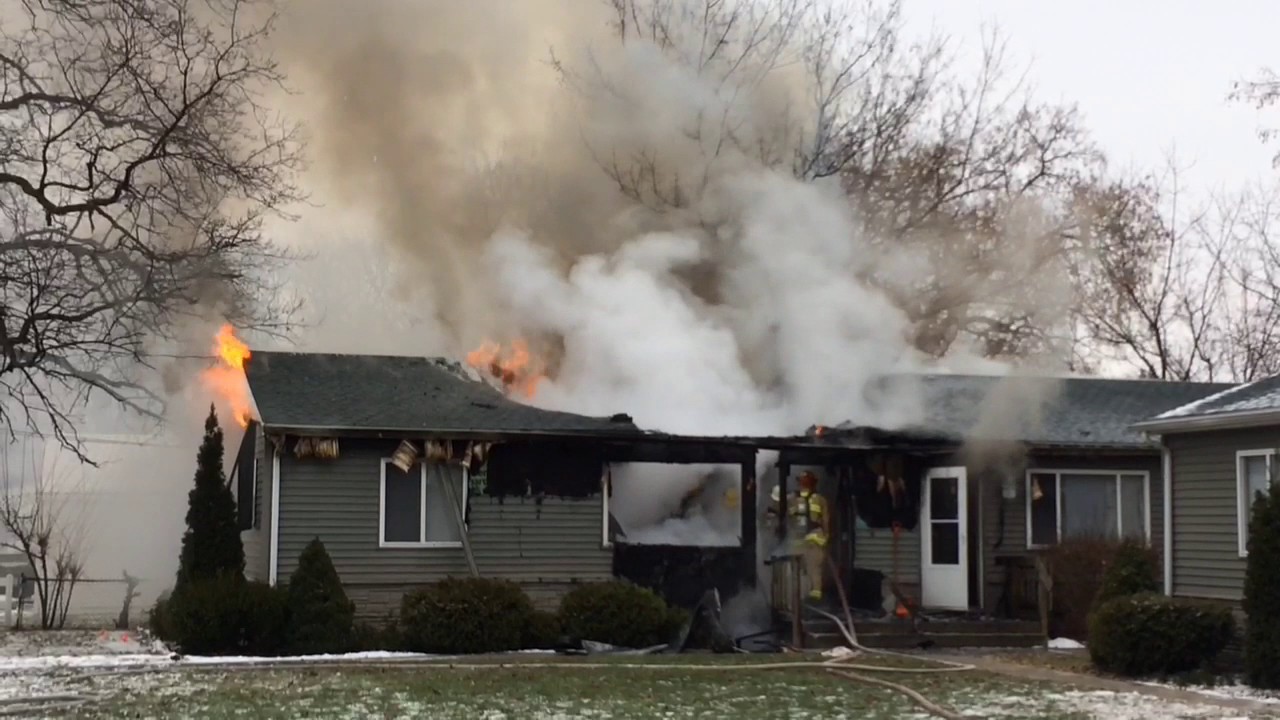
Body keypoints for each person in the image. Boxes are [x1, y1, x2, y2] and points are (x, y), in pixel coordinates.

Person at [769, 471, 830, 601]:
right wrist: (826, 537)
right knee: (812, 570)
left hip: (801, 541)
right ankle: (810, 597)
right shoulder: (819, 500)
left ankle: (804, 598)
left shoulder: (792, 499)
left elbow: (779, 513)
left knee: (800, 570)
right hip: (813, 540)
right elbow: (826, 521)